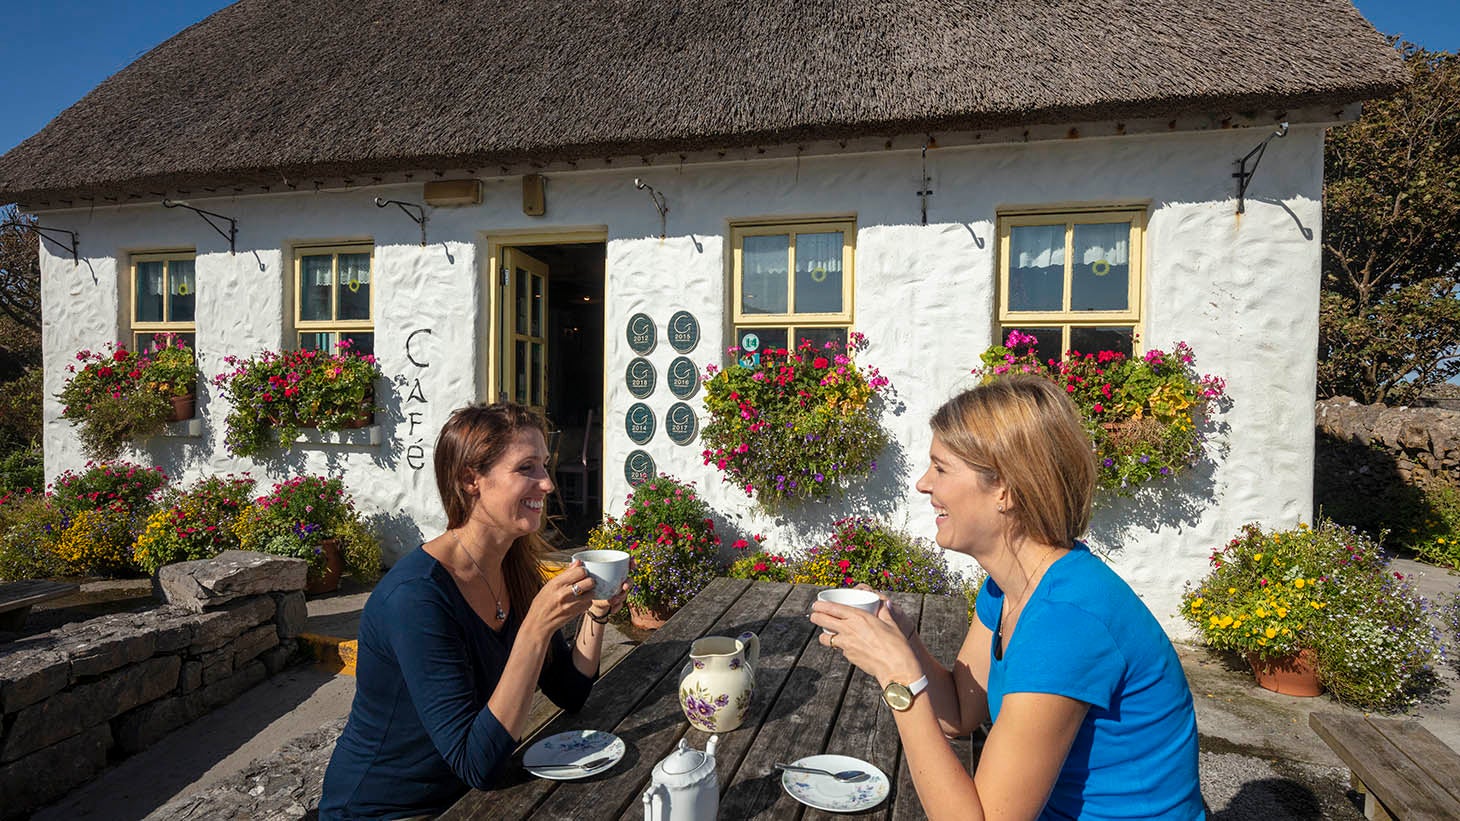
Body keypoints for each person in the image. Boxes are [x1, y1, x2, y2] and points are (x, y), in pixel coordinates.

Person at [811, 375, 1204, 820]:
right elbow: (959, 712)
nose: (923, 484)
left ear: (1006, 489)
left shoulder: (1067, 621)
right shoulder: (1011, 586)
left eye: (940, 468)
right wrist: (903, 636)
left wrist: (897, 676)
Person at [321, 402, 627, 819]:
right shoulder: (417, 598)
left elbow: (570, 691)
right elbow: (476, 763)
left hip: (467, 797)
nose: (548, 484)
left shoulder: (513, 570)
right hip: (387, 810)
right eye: (527, 468)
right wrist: (534, 629)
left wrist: (598, 611)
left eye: (545, 466)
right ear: (471, 480)